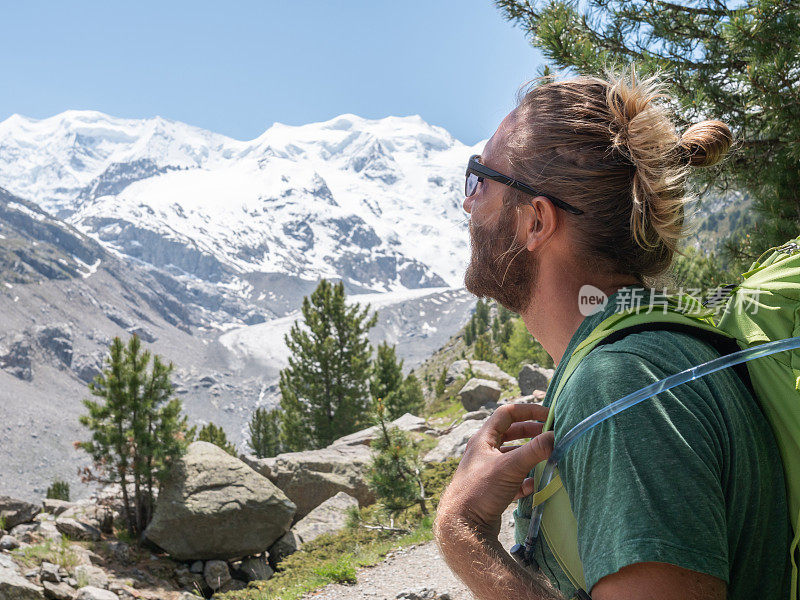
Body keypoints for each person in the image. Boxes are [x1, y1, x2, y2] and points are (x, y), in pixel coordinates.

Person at [434, 69, 791, 600]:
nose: (468, 201)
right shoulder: (654, 353)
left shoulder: (623, 384)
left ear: (536, 221)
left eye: (480, 178)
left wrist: (463, 536)